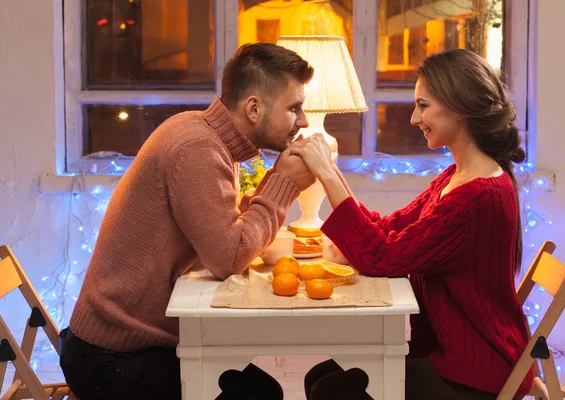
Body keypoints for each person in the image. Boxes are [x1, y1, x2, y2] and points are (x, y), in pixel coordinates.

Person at [59, 43, 315, 400]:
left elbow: (220, 227)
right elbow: (228, 257)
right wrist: (285, 183)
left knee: (268, 391)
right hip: (111, 356)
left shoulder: (206, 135)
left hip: (131, 343)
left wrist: (273, 186)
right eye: (294, 108)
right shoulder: (197, 148)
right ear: (254, 108)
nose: (302, 121)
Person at [291, 48, 534, 400]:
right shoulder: (457, 177)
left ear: (459, 108)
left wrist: (327, 174)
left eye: (423, 105)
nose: (414, 118)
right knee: (322, 376)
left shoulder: (476, 196)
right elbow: (391, 229)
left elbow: (384, 257)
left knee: (330, 389)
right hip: (456, 354)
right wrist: (333, 175)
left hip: (474, 371)